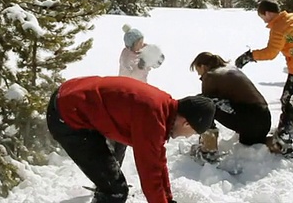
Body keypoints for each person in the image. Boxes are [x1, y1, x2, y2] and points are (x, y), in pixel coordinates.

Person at [46, 76, 216, 203]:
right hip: (67, 115)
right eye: (192, 132)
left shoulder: (163, 107)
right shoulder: (152, 119)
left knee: (111, 181)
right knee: (116, 191)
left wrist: (168, 200)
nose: (187, 136)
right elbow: (149, 174)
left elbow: (158, 160)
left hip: (72, 96)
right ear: (186, 123)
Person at [234, 0, 293, 156]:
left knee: (289, 101)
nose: (264, 21)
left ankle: (285, 139)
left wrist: (249, 56)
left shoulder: (279, 27)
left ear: (267, 13)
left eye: (262, 17)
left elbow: (270, 53)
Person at [189, 52, 271, 160]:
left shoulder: (210, 76)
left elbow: (206, 106)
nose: (199, 75)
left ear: (203, 66)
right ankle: (278, 142)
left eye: (197, 70)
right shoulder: (230, 70)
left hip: (249, 121)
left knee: (201, 103)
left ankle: (208, 150)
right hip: (264, 119)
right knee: (252, 144)